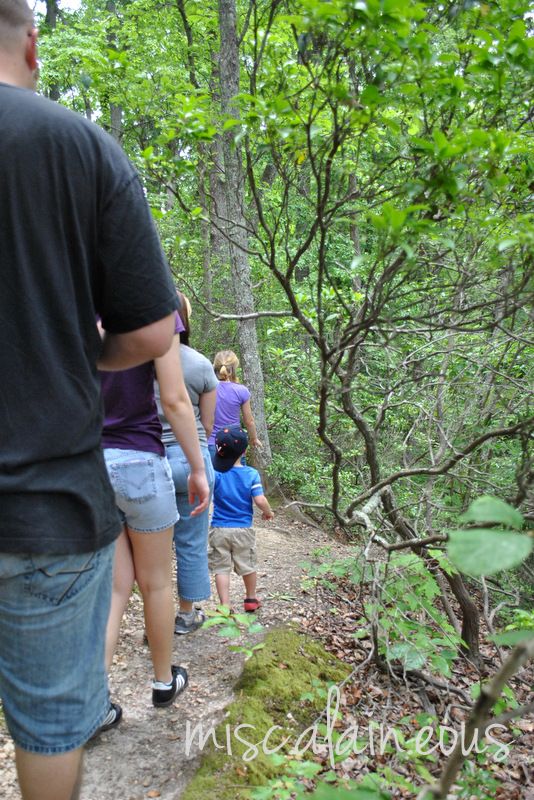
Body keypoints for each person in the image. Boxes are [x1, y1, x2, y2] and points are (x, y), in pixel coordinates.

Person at [0, 2, 178, 799]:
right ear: (31, 44)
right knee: (48, 726)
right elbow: (150, 333)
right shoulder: (79, 146)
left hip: (61, 497)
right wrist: (80, 351)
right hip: (43, 503)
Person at [101, 312, 210, 711]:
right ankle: (164, 681)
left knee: (114, 587)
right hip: (140, 462)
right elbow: (175, 398)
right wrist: (198, 468)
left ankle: (95, 701)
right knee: (156, 583)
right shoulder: (150, 306)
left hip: (91, 465)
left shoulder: (74, 299)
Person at [157, 293, 218, 635]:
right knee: (191, 542)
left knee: (154, 547)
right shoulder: (200, 364)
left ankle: (156, 615)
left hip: (151, 461)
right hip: (190, 457)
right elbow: (207, 427)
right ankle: (185, 615)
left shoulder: (139, 361)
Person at [208, 425, 274, 612]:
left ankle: (225, 606)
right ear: (244, 451)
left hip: (219, 528)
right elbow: (260, 500)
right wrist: (268, 512)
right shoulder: (251, 474)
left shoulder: (216, 474)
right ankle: (251, 599)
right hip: (243, 529)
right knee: (248, 565)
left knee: (221, 568)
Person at [208, 350, 262, 460]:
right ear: (234, 368)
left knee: (214, 477)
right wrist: (254, 438)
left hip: (212, 443)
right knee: (237, 476)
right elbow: (249, 421)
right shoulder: (241, 390)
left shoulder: (208, 388)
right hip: (235, 443)